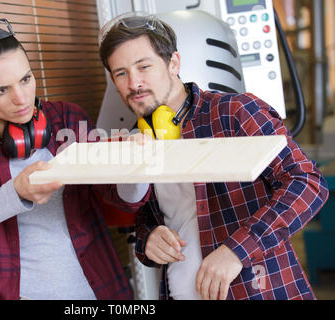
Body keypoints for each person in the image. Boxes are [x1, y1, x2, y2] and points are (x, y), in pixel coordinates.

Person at [98, 12, 329, 300]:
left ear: (173, 63)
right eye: (121, 73)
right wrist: (148, 238)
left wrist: (237, 250)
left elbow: (307, 183)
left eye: (144, 66)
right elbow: (153, 215)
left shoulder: (236, 113)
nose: (134, 83)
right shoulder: (136, 140)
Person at [0, 18, 150, 300]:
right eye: (1, 90)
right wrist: (15, 193)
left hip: (95, 290)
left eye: (25, 79)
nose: (21, 98)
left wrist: (137, 166)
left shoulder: (68, 119)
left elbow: (121, 198)